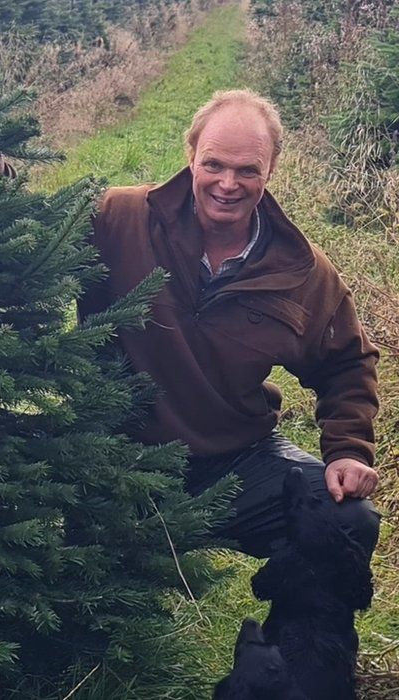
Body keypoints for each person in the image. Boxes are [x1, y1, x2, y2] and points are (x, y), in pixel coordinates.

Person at [81, 89, 380, 692]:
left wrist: (348, 448)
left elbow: (347, 361)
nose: (227, 183)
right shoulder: (120, 218)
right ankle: (86, 651)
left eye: (248, 170)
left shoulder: (301, 270)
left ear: (270, 172)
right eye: (214, 164)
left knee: (345, 521)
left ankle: (292, 677)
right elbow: (27, 233)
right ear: (190, 154)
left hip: (233, 459)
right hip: (111, 458)